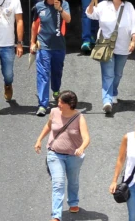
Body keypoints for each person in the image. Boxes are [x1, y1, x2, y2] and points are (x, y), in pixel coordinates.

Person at [34, 91, 90, 221]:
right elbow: (49, 126)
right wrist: (39, 140)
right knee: (58, 183)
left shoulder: (79, 118)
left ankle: (73, 202)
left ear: (69, 104)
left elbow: (86, 138)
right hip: (55, 154)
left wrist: (81, 148)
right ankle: (56, 215)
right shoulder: (54, 112)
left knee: (73, 181)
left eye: (61, 102)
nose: (58, 104)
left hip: (73, 155)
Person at [87, 0, 135, 115]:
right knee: (108, 74)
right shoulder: (103, 5)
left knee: (118, 74)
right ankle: (107, 100)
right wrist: (93, 1)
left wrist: (133, 40)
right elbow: (90, 14)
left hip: (123, 46)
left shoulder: (128, 6)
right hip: (106, 46)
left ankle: (113, 92)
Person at [31, 0, 70, 116]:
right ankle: (43, 104)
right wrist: (32, 42)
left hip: (59, 46)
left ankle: (56, 90)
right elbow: (35, 25)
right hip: (43, 46)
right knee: (43, 75)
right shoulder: (38, 7)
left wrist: (60, 9)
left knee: (56, 72)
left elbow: (68, 19)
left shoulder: (64, 4)